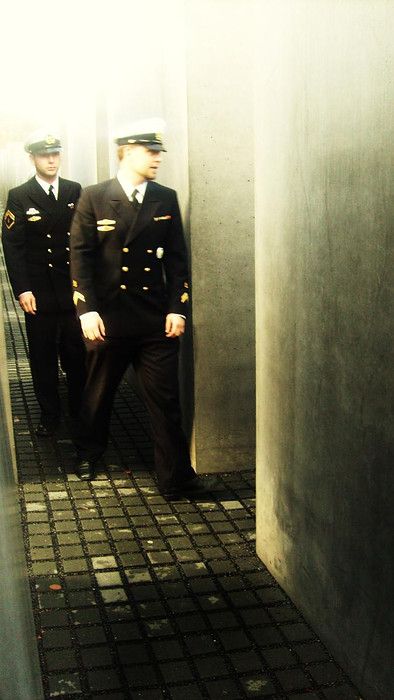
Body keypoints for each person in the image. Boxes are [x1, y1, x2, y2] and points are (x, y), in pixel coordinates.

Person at [70, 118, 205, 499]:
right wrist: (87, 311)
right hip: (108, 320)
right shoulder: (94, 197)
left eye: (159, 151)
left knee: (165, 400)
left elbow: (177, 261)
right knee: (98, 393)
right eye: (150, 151)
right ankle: (89, 452)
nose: (158, 158)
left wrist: (178, 308)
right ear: (127, 151)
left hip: (153, 321)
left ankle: (175, 477)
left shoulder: (165, 197)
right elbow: (80, 258)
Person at [2, 131, 86, 436]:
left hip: (72, 290)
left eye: (55, 154)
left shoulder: (75, 190)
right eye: (43, 155)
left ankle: (79, 412)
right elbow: (13, 245)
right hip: (38, 294)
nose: (51, 160)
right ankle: (50, 416)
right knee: (42, 357)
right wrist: (22, 289)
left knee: (77, 355)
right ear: (33, 158)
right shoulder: (20, 195)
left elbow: (83, 240)